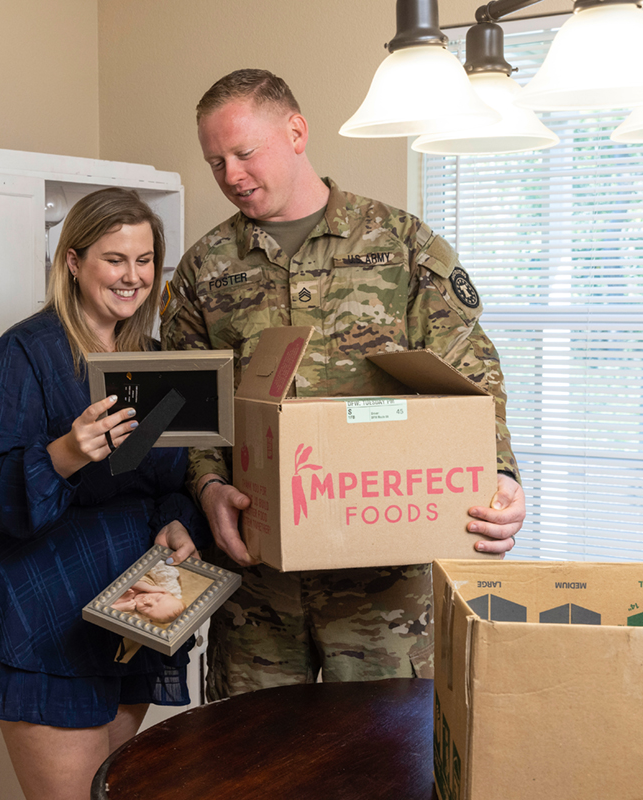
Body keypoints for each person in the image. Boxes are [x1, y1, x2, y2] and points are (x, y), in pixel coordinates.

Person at [160, 69, 526, 701]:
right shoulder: (204, 269)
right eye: (215, 162)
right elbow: (189, 408)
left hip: (384, 580)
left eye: (245, 153)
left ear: (296, 132)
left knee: (386, 763)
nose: (232, 176)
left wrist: (500, 476)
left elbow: (469, 374)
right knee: (253, 767)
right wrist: (209, 484)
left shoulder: (403, 245)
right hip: (258, 580)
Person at [0, 187, 208, 800]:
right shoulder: (21, 354)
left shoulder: (155, 359)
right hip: (43, 596)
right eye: (114, 259)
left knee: (115, 788)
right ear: (74, 262)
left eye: (144, 261)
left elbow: (169, 479)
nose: (132, 277)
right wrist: (68, 451)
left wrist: (177, 522)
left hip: (131, 596)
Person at [111, 564, 187, 624]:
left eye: (148, 609)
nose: (148, 602)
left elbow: (104, 610)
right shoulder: (150, 584)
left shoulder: (130, 610)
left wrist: (121, 607)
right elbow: (130, 581)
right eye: (157, 599)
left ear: (146, 616)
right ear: (163, 592)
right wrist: (149, 588)